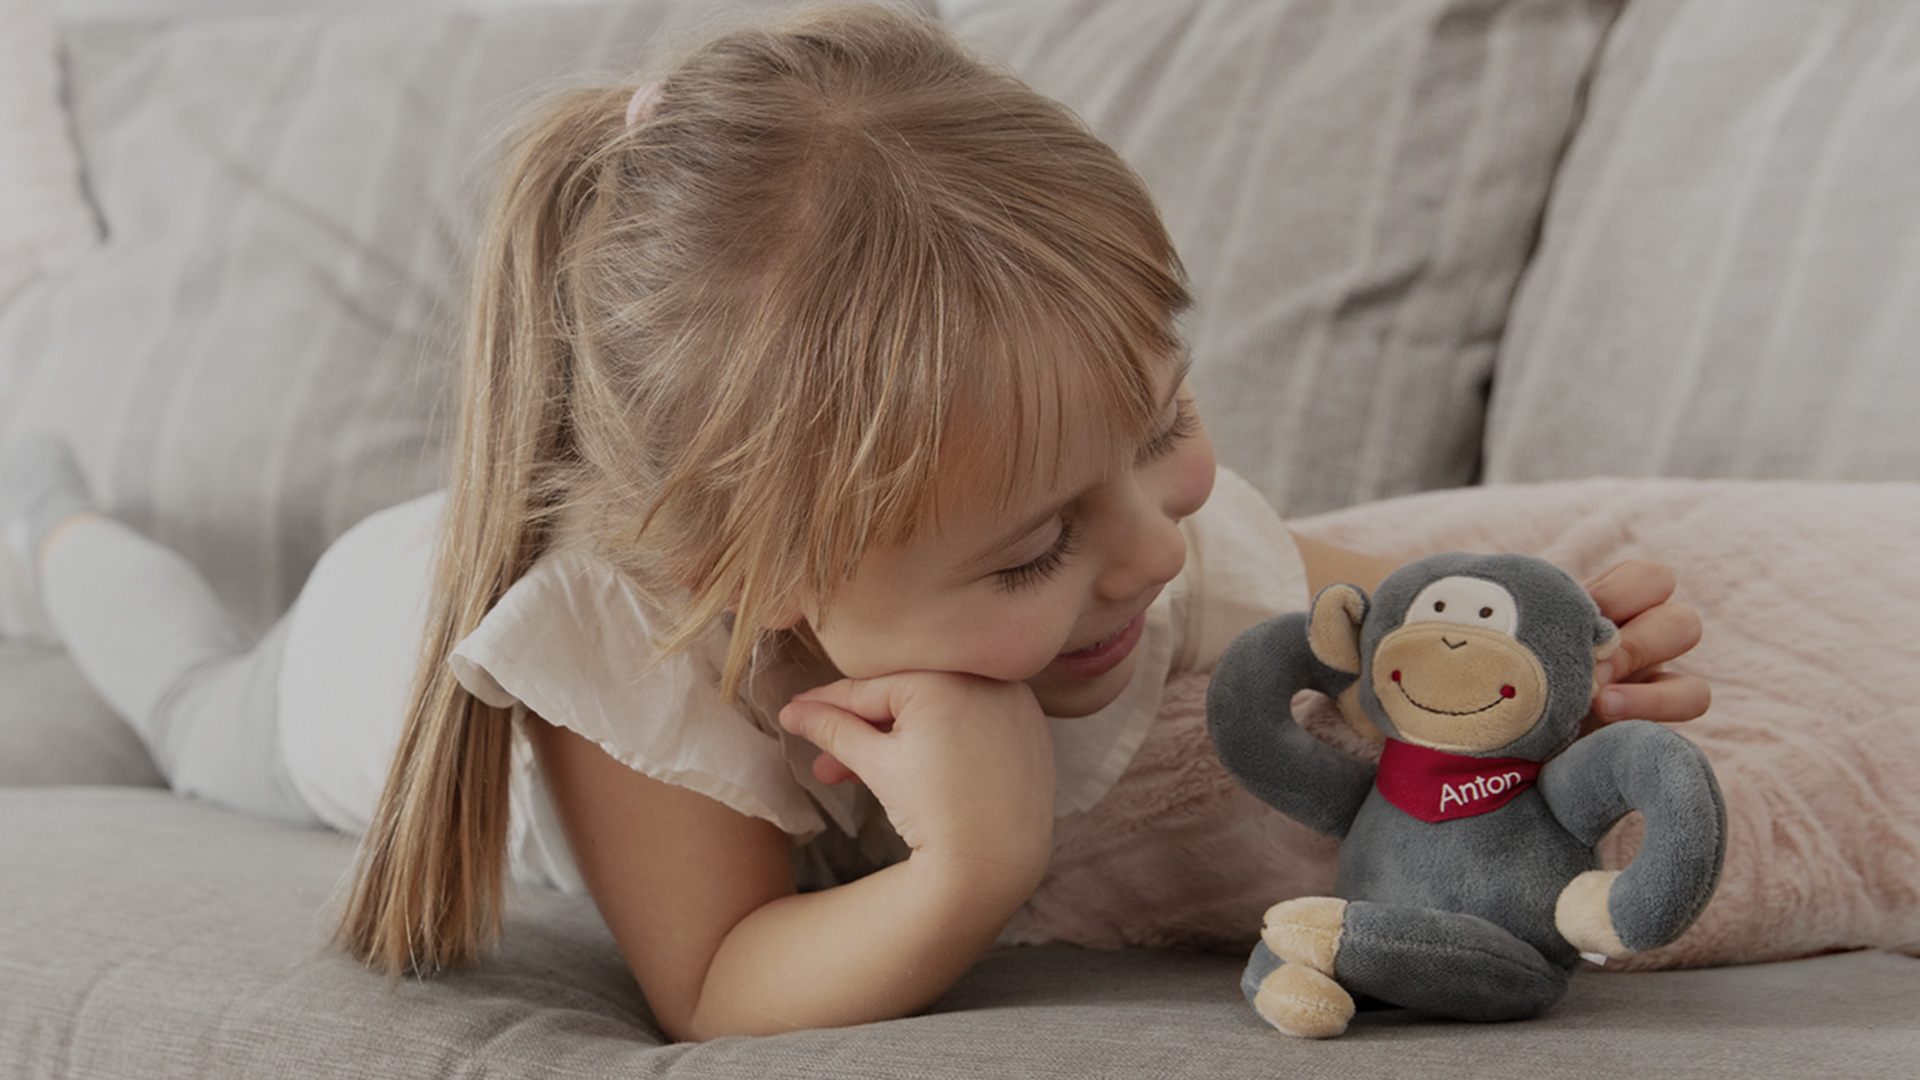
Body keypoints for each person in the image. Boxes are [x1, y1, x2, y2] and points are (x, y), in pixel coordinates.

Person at [0, 3, 1706, 1042]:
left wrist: (1568, 668)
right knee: (184, 697)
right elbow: (718, 980)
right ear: (750, 583)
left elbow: (1401, 626)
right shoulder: (639, 672)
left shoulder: (1105, 512)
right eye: (1031, 553)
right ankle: (56, 515)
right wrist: (973, 865)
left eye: (1165, 424)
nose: (1152, 553)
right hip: (356, 647)